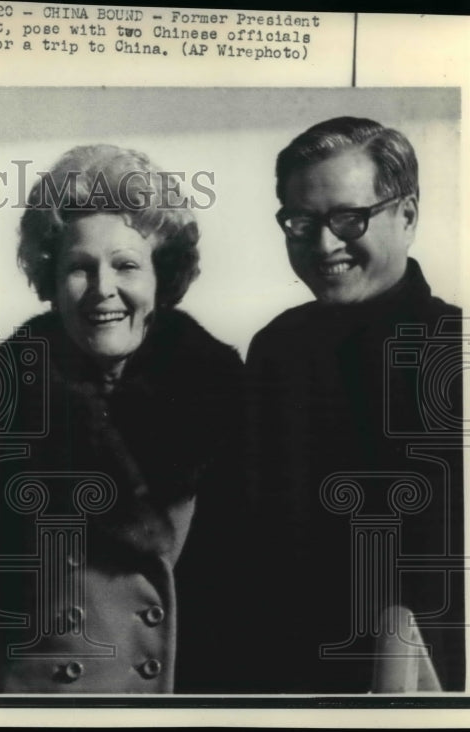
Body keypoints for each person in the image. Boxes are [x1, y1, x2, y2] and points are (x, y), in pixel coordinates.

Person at [0, 144, 245, 693]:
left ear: (162, 277)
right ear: (50, 282)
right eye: (79, 268)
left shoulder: (230, 397)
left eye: (126, 265)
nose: (103, 289)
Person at [246, 117, 465, 692]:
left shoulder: (456, 349)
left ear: (408, 215)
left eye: (349, 218)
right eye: (301, 222)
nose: (325, 245)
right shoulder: (275, 350)